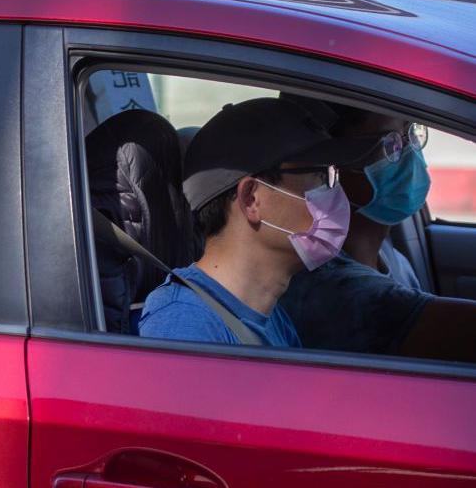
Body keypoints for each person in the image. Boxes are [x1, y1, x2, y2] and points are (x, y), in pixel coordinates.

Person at [138, 98, 376, 346]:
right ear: (251, 199)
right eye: (320, 175)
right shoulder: (184, 324)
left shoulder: (271, 316)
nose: (336, 193)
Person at [279, 104, 476, 358]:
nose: (410, 153)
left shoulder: (391, 256)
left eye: (410, 133)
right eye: (390, 143)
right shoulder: (332, 288)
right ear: (333, 163)